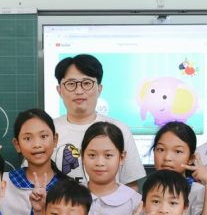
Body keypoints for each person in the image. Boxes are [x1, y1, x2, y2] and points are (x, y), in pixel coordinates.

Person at [51, 54, 145, 186]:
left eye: (87, 83)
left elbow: (130, 185)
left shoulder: (119, 129)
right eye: (71, 84)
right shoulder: (48, 130)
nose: (79, 91)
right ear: (59, 90)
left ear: (99, 89)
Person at [151, 121, 207, 215]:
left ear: (191, 158)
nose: (167, 157)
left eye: (178, 151)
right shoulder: (149, 189)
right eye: (161, 150)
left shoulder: (198, 191)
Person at [3, 109, 63, 215]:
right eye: (28, 138)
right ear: (17, 144)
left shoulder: (67, 188)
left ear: (55, 139)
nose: (37, 144)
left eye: (43, 136)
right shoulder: (2, 183)